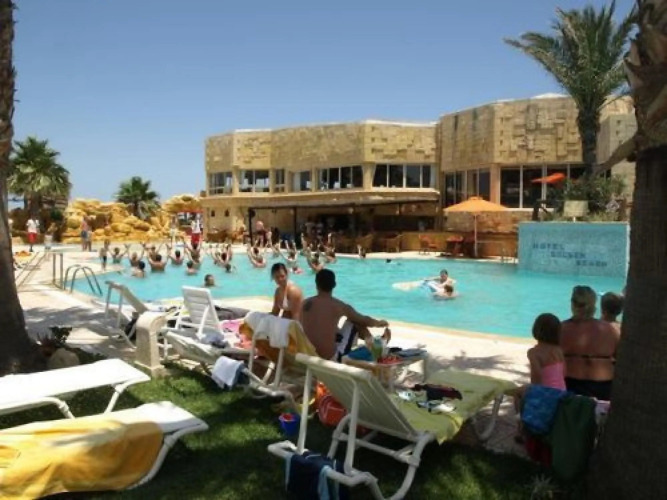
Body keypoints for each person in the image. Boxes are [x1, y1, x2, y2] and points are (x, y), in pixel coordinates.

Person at [301, 269, 389, 361]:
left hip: (308, 354)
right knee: (355, 322)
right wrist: (379, 323)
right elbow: (363, 320)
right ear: (334, 285)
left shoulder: (304, 303)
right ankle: (377, 348)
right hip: (330, 358)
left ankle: (375, 345)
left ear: (316, 284)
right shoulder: (338, 305)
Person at [560, 286, 620, 400]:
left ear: (572, 303)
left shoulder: (561, 329)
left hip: (571, 384)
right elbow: (619, 358)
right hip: (604, 385)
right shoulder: (610, 330)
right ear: (593, 305)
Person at [527, 313, 566, 389]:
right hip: (561, 391)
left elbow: (536, 377)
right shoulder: (558, 350)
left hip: (546, 392)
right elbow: (563, 373)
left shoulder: (534, 353)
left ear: (536, 329)